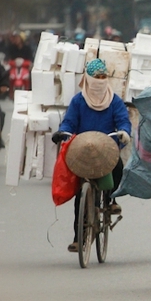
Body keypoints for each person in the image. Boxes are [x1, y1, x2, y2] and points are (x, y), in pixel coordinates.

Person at [51, 59, 132, 253]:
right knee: (81, 195)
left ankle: (112, 200)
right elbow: (69, 122)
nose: (100, 81)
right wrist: (63, 132)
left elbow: (123, 120)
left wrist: (123, 132)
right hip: (82, 149)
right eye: (96, 78)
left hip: (107, 147)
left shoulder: (114, 101)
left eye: (104, 77)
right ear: (88, 79)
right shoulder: (78, 101)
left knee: (118, 167)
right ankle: (78, 238)